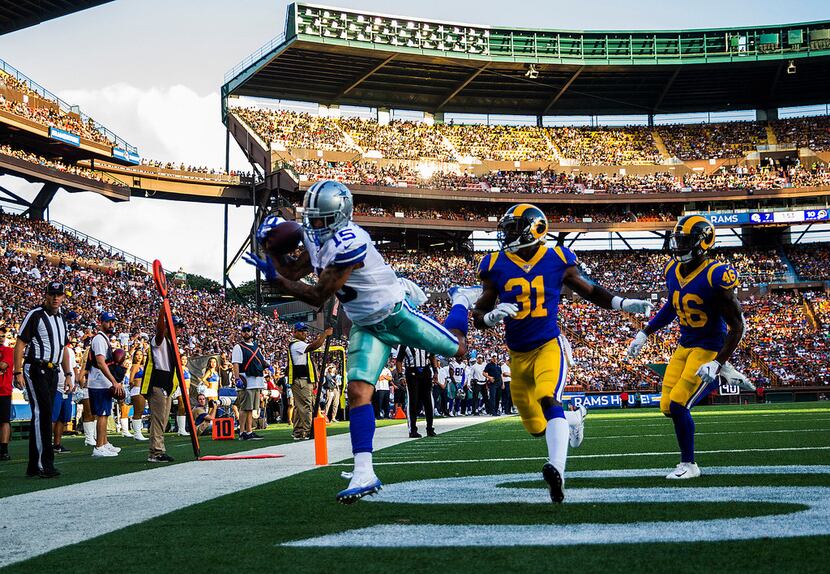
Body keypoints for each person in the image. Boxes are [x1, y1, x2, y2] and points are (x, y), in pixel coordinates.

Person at [244, 180, 481, 503]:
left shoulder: (349, 242)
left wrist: (276, 277)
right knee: (358, 391)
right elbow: (294, 272)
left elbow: (317, 295)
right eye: (310, 218)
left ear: (340, 216)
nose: (313, 226)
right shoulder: (315, 236)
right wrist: (270, 252)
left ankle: (461, 300)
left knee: (459, 349)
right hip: (366, 325)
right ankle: (364, 471)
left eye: (320, 219)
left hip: (397, 315)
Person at [472, 203, 652, 503]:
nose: (506, 235)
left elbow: (590, 290)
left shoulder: (557, 258)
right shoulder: (495, 265)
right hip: (517, 356)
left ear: (533, 230)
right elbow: (479, 312)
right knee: (535, 427)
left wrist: (622, 303)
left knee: (548, 398)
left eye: (513, 229)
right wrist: (490, 317)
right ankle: (573, 419)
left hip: (548, 345)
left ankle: (557, 471)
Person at [627, 214, 745, 480]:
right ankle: (721, 373)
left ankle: (689, 464)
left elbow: (738, 327)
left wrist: (717, 361)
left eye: (686, 240)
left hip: (708, 349)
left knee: (680, 404)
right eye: (678, 240)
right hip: (684, 346)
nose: (680, 246)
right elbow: (672, 305)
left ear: (704, 242)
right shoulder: (672, 269)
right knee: (667, 407)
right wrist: (645, 332)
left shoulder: (717, 274)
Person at [12, 281, 73, 477]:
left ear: (63, 297)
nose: (55, 298)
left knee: (44, 414)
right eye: (52, 294)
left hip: (53, 371)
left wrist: (69, 373)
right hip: (36, 367)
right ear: (45, 295)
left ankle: (34, 465)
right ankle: (43, 464)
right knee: (43, 413)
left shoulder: (62, 319)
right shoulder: (35, 314)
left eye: (59, 294)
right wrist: (17, 371)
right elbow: (20, 342)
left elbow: (63, 349)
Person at [140, 308, 183, 463]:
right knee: (158, 419)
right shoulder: (160, 340)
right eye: (175, 326)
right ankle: (156, 452)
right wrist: (162, 313)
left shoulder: (171, 343)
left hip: (167, 385)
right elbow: (159, 331)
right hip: (158, 384)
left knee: (163, 420)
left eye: (178, 327)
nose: (177, 329)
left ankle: (156, 449)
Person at [85, 311, 124, 457]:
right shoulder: (99, 339)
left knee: (105, 413)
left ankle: (104, 442)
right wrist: (114, 381)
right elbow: (100, 362)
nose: (112, 324)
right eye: (108, 322)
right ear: (101, 322)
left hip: (102, 382)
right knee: (101, 414)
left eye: (113, 322)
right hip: (99, 382)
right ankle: (99, 446)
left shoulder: (103, 339)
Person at [286, 323, 329, 440]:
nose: (304, 333)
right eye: (301, 331)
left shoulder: (298, 344)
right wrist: (324, 335)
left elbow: (309, 364)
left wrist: (313, 378)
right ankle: (308, 431)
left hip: (303, 380)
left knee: (300, 407)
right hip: (301, 380)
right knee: (306, 406)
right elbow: (315, 346)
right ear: (295, 332)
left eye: (305, 331)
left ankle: (299, 432)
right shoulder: (297, 344)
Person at [232, 324, 269, 441]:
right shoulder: (238, 347)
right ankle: (242, 432)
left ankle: (249, 431)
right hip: (246, 380)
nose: (246, 333)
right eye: (244, 331)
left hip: (257, 381)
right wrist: (237, 378)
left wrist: (266, 366)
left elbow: (262, 361)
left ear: (252, 332)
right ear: (242, 333)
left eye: (248, 330)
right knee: (244, 408)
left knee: (251, 408)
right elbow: (236, 363)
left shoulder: (257, 347)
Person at [396, 345, 437, 438]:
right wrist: (400, 375)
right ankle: (412, 429)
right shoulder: (405, 343)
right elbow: (399, 361)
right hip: (412, 372)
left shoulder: (427, 342)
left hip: (426, 371)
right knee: (413, 401)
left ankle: (430, 428)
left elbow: (432, 356)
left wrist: (435, 371)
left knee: (428, 401)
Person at [51, 343, 79, 453]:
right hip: (56, 387)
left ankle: (57, 445)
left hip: (68, 388)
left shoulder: (69, 351)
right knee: (52, 417)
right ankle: (46, 444)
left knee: (63, 417)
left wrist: (75, 381)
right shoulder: (54, 349)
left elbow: (74, 367)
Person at [0, 331, 15, 461]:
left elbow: (3, 365)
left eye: (3, 336)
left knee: (4, 420)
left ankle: (4, 450)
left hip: (3, 390)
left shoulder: (8, 350)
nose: (1, 338)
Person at [128, 349, 148, 441]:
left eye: (141, 354)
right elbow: (131, 380)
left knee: (140, 411)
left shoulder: (143, 366)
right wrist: (134, 387)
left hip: (142, 390)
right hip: (137, 390)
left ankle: (138, 433)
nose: (139, 356)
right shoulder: (135, 366)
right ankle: (137, 433)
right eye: (137, 354)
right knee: (138, 412)